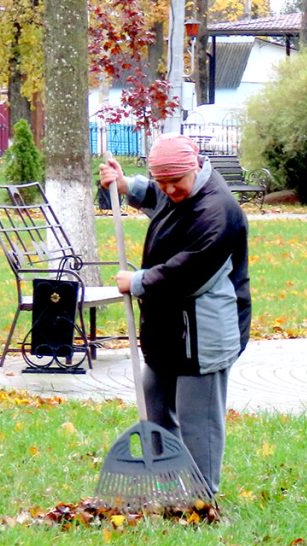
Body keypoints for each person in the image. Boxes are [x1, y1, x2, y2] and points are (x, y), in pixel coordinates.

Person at [99, 135, 251, 497]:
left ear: (194, 169)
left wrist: (137, 281)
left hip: (204, 331)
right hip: (170, 327)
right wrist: (126, 186)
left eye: (175, 182)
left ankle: (202, 498)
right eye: (162, 181)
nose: (169, 190)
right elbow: (161, 198)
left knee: (199, 420)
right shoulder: (183, 191)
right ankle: (168, 485)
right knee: (155, 397)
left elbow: (188, 272)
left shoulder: (219, 212)